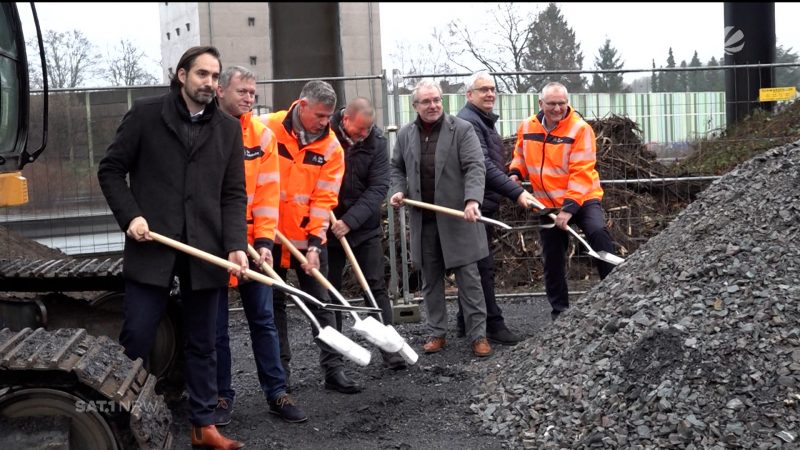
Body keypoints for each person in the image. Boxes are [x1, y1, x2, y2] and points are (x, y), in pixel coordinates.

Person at [98, 46, 246, 449]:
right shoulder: (146, 115)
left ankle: (203, 425)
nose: (210, 84)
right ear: (181, 75)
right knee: (139, 337)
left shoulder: (229, 129)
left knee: (204, 342)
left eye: (215, 77)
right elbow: (110, 170)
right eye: (202, 74)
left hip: (206, 249)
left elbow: (233, 194)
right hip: (152, 245)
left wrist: (236, 245)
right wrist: (131, 216)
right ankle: (124, 420)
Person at [213, 66, 307, 426]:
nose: (249, 99)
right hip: (215, 246)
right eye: (242, 92)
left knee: (263, 320)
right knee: (216, 325)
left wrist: (265, 241)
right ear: (220, 91)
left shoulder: (260, 137)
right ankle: (221, 396)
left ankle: (277, 392)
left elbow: (268, 195)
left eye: (252, 93)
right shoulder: (207, 133)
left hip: (254, 243)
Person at [260, 80, 363, 394]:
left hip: (308, 240)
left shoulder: (331, 147)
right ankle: (281, 376)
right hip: (270, 236)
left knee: (323, 303)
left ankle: (334, 370)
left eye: (328, 116)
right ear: (301, 105)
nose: (325, 122)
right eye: (319, 115)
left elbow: (324, 200)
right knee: (274, 306)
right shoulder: (267, 128)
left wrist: (317, 245)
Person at [389, 78, 493, 358]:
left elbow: (475, 166)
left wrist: (472, 200)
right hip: (424, 220)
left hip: (459, 218)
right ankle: (437, 333)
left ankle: (478, 335)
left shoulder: (462, 129)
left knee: (469, 279)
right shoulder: (406, 135)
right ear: (415, 106)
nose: (433, 105)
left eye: (436, 100)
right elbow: (396, 168)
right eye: (426, 101)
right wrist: (398, 190)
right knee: (430, 279)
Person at [509, 81, 618, 320]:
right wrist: (516, 174)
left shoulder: (580, 129)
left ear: (568, 103)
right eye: (552, 104)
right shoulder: (528, 126)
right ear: (541, 104)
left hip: (582, 198)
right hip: (546, 203)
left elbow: (581, 171)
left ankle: (615, 300)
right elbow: (520, 155)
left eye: (562, 103)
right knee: (553, 257)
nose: (557, 109)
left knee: (597, 233)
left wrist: (568, 210)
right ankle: (560, 312)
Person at [455, 71, 536, 345]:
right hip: (473, 204)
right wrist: (518, 194)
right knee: (483, 265)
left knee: (475, 264)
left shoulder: (482, 121)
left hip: (483, 202)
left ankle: (465, 321)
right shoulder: (469, 122)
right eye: (482, 90)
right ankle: (492, 323)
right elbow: (484, 167)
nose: (490, 94)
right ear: (469, 95)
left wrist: (512, 175)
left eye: (492, 89)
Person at [326, 97, 406, 370]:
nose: (364, 135)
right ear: (345, 120)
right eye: (359, 129)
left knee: (375, 286)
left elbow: (378, 188)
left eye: (368, 129)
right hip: (327, 228)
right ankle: (334, 360)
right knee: (330, 292)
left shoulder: (376, 142)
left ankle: (391, 348)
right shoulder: (324, 135)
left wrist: (349, 221)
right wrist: (332, 220)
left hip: (364, 228)